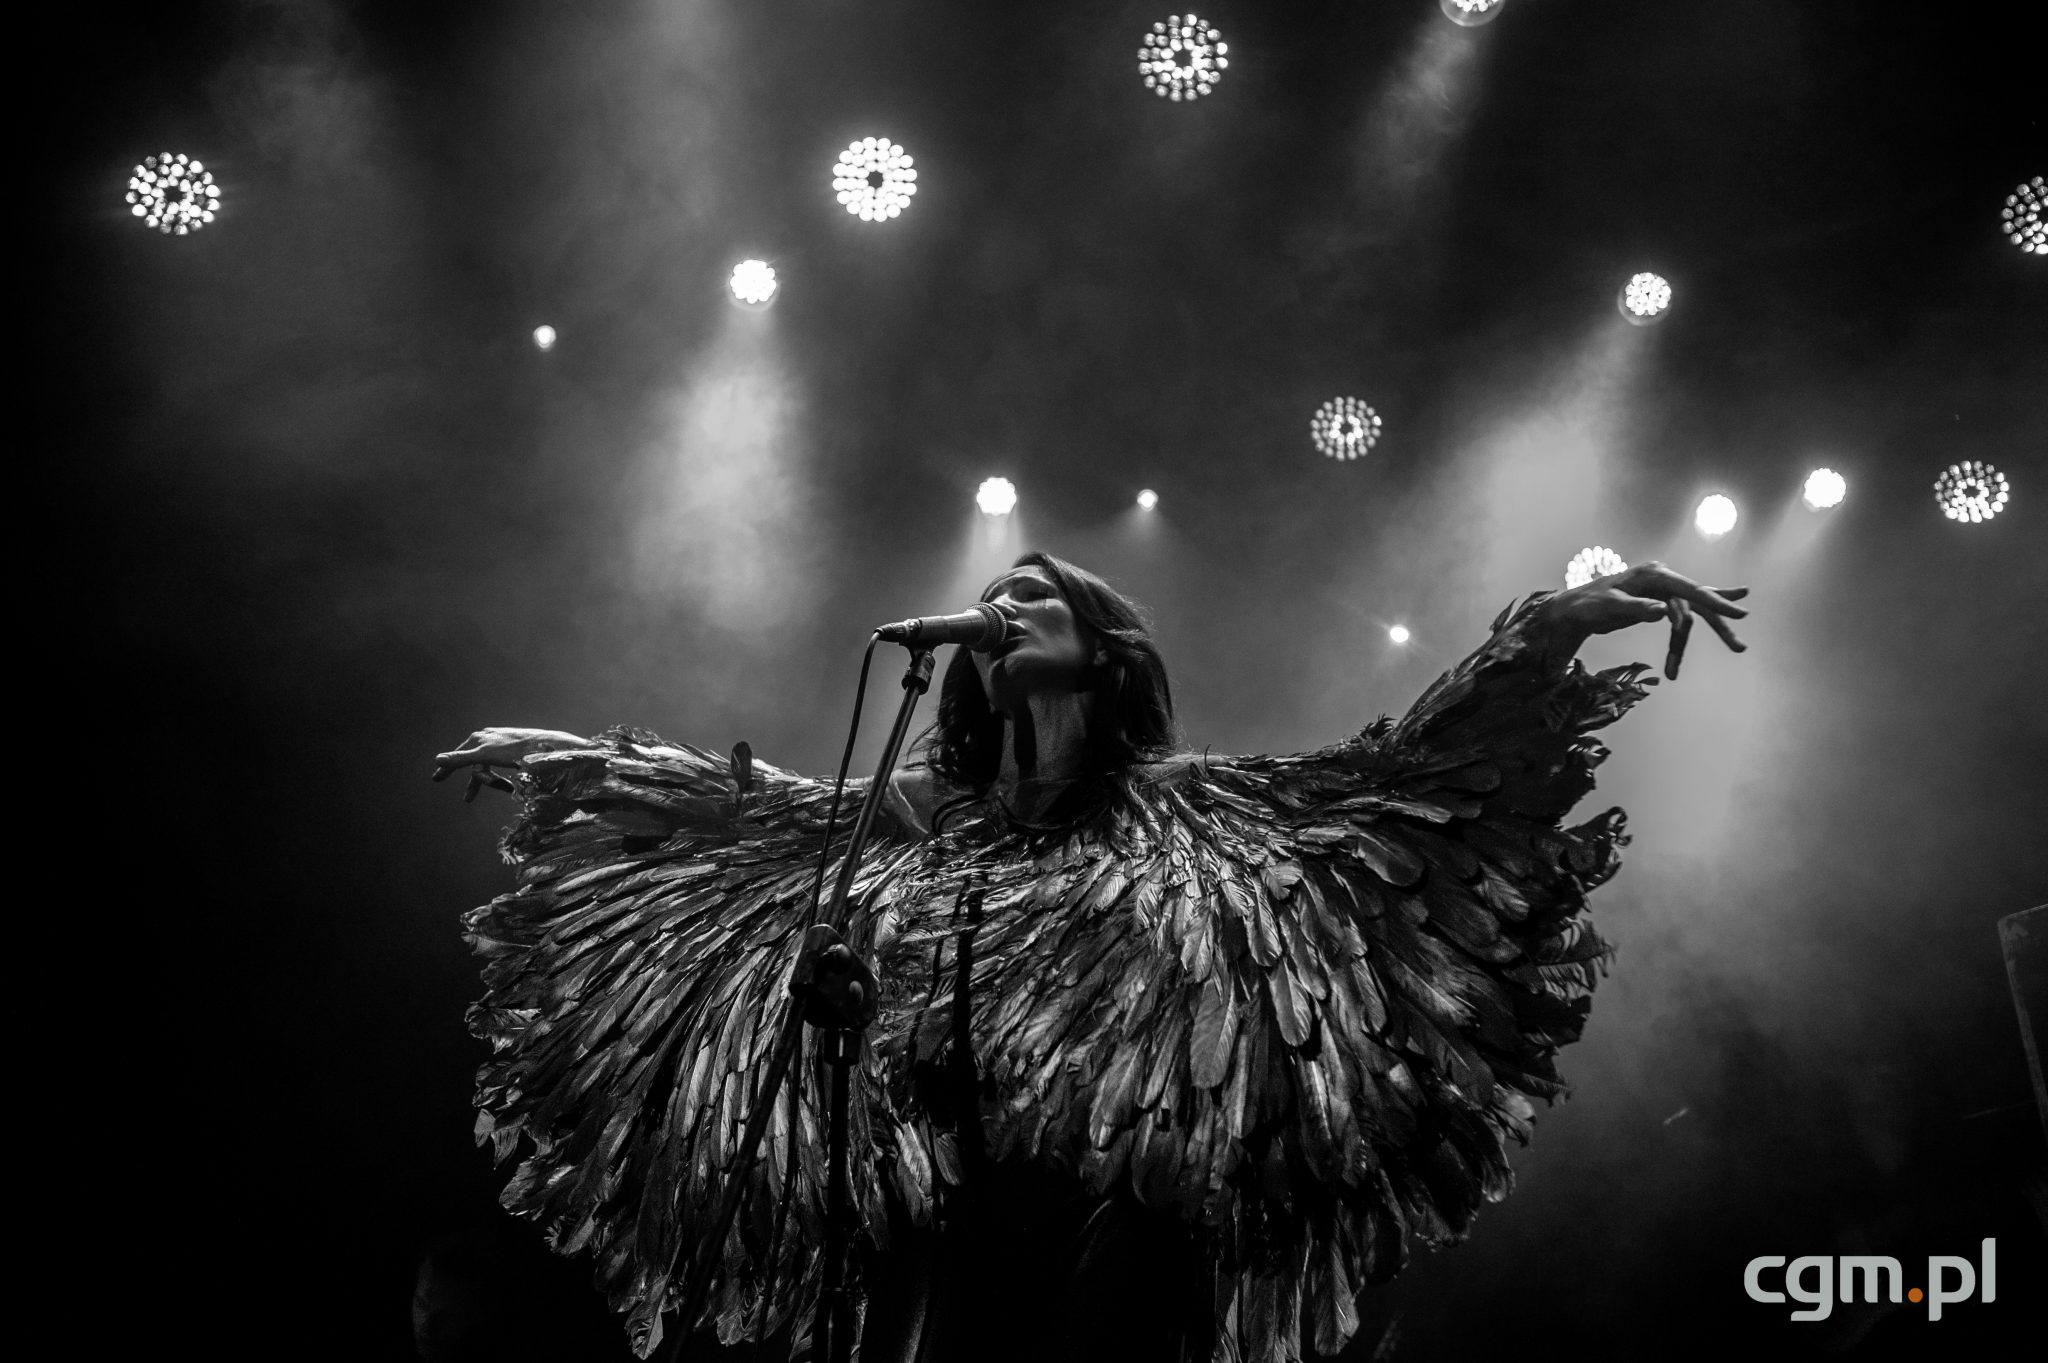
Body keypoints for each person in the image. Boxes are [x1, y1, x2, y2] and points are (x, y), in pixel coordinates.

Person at [435, 553, 1748, 1363]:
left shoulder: (1183, 803)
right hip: (945, 1203)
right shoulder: (921, 812)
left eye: (1030, 595)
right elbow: (754, 810)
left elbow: (1390, 785)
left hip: (1117, 1206)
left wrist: (1548, 628)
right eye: (989, 598)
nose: (997, 608)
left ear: (1105, 648)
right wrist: (587, 765)